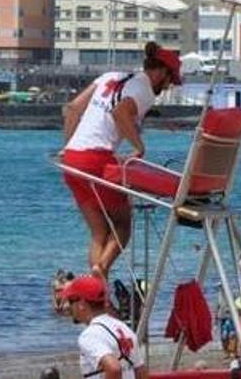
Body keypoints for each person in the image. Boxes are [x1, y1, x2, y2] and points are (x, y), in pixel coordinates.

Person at [60, 41, 183, 280]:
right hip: (96, 159)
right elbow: (119, 113)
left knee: (99, 233)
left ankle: (96, 290)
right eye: (170, 80)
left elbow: (73, 108)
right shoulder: (145, 90)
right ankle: (100, 272)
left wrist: (67, 147)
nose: (168, 86)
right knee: (123, 226)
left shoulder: (110, 76)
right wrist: (139, 147)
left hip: (72, 159)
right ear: (160, 72)